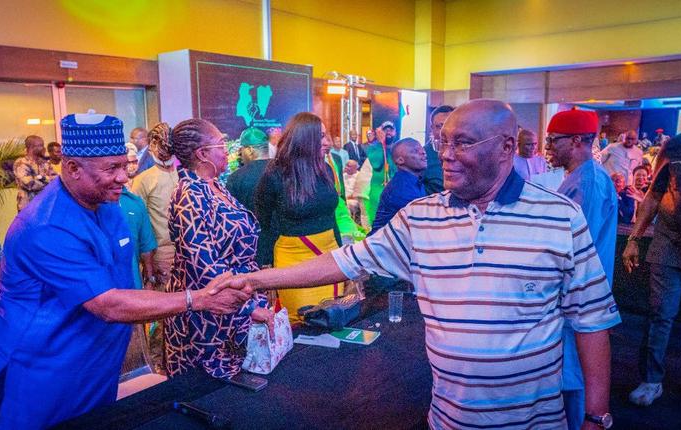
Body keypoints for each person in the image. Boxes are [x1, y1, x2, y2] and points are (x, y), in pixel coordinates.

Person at [216, 99, 620, 429]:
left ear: (505, 148)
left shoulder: (561, 217)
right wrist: (254, 277)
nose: (444, 155)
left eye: (463, 143)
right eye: (442, 141)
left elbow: (592, 322)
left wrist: (596, 418)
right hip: (445, 420)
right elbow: (344, 262)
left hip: (534, 423)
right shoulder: (420, 216)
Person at [0, 112, 253, 429]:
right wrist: (198, 299)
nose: (124, 177)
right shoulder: (45, 226)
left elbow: (124, 282)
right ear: (72, 169)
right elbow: (108, 304)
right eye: (111, 168)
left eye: (124, 166)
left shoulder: (107, 205)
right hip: (43, 368)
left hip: (95, 364)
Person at [162, 118, 271, 379]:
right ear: (202, 154)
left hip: (236, 300)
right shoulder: (189, 194)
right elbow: (203, 265)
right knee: (214, 392)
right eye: (221, 144)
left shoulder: (215, 185)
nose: (228, 150)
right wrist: (248, 309)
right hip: (210, 316)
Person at [544, 108, 618, 430]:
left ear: (576, 141)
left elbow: (569, 252)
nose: (547, 147)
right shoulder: (582, 177)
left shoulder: (587, 183)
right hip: (577, 298)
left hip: (577, 299)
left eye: (552, 140)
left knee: (574, 387)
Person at [623, 109, 681, 406]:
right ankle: (651, 380)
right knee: (660, 314)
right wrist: (634, 239)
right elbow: (654, 193)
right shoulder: (675, 146)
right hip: (670, 243)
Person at [254, 112, 341, 322]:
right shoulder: (275, 174)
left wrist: (343, 256)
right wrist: (265, 270)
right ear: (305, 138)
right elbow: (262, 223)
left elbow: (332, 217)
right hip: (294, 260)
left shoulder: (326, 170)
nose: (327, 142)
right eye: (321, 136)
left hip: (330, 254)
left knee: (331, 317)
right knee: (302, 321)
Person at [130, 122, 181, 368]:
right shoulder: (142, 180)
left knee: (184, 314)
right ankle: (158, 367)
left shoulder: (183, 174)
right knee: (162, 318)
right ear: (152, 145)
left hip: (187, 254)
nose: (166, 150)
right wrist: (148, 264)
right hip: (161, 257)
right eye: (162, 144)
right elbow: (140, 227)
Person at [226, 127, 274, 267]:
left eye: (241, 150)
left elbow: (232, 219)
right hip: (283, 249)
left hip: (250, 251)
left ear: (250, 150)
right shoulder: (284, 170)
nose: (240, 155)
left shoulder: (236, 178)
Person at [370, 138, 427, 234]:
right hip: (385, 246)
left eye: (422, 149)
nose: (423, 153)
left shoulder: (414, 181)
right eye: (415, 151)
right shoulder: (402, 189)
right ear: (400, 160)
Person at [120, 147, 157, 290]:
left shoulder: (134, 202)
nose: (122, 174)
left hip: (134, 288)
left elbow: (146, 248)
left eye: (123, 166)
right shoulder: (89, 206)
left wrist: (150, 280)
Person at [354, 121, 398, 228]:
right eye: (385, 130)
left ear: (395, 133)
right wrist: (380, 143)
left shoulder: (398, 149)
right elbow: (377, 164)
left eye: (390, 130)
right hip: (375, 197)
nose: (388, 132)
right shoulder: (373, 148)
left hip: (393, 197)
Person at [13, 135, 57, 212]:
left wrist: (41, 179)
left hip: (46, 206)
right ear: (31, 147)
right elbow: (29, 184)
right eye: (40, 145)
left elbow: (56, 179)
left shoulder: (44, 163)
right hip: (28, 207)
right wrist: (47, 180)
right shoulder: (21, 163)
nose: (43, 148)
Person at [423, 105, 452, 194]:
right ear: (432, 128)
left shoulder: (464, 151)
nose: (444, 131)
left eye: (449, 126)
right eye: (439, 127)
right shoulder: (422, 156)